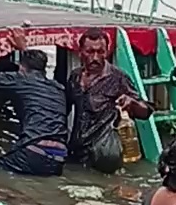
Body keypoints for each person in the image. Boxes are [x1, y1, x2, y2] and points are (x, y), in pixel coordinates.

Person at [0, 27, 68, 176]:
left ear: (21, 68)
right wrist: (23, 48)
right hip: (59, 158)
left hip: (32, 152)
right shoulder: (58, 88)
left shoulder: (20, 79)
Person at [65, 28, 155, 173]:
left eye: (100, 52)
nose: (95, 58)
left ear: (107, 52)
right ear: (80, 52)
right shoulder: (75, 76)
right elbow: (65, 108)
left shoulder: (118, 78)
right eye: (90, 52)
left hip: (104, 153)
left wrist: (131, 102)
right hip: (77, 150)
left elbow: (146, 112)